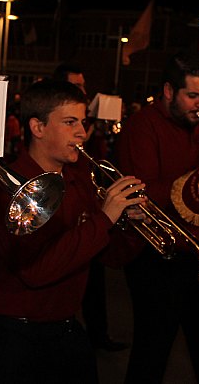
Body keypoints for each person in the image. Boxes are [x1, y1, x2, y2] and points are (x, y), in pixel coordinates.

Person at [0, 79, 146, 383]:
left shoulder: (78, 178)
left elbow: (108, 256)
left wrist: (131, 225)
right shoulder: (9, 188)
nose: (82, 132)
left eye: (82, 122)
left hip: (67, 327)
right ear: (37, 127)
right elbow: (36, 271)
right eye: (70, 122)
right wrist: (104, 220)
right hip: (19, 335)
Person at [116, 49, 199, 383]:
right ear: (168, 91)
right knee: (151, 355)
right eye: (193, 95)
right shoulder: (141, 127)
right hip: (161, 260)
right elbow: (142, 197)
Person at [52, 62, 127, 351]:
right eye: (77, 84)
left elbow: (100, 157)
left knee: (94, 280)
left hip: (89, 202)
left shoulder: (89, 119)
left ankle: (98, 333)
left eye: (84, 84)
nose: (83, 90)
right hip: (67, 205)